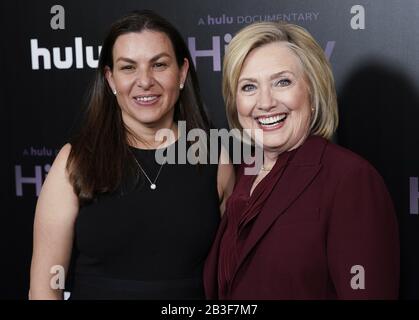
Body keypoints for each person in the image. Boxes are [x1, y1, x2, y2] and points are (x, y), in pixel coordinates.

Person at [29, 10, 234, 300]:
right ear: (111, 79)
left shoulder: (216, 157)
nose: (145, 81)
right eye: (128, 68)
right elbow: (44, 289)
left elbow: (233, 274)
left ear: (182, 72)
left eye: (159, 65)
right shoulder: (75, 160)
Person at [203, 22, 400, 299]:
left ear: (313, 93)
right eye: (249, 87)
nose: (265, 102)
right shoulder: (242, 174)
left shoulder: (349, 178)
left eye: (282, 82)